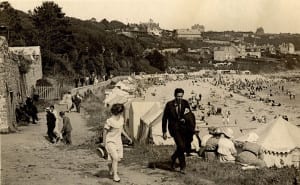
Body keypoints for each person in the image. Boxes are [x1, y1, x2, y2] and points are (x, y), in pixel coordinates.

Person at [162, 88, 192, 174]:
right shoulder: (169, 105)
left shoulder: (185, 103)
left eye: (181, 96)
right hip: (174, 129)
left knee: (184, 146)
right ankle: (183, 166)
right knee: (181, 146)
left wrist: (185, 120)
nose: (180, 98)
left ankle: (174, 156)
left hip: (184, 129)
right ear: (175, 96)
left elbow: (189, 115)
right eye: (178, 96)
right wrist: (164, 132)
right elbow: (165, 118)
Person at [102, 103, 132, 182]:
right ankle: (115, 175)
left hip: (118, 141)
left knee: (118, 159)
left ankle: (111, 166)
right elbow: (104, 132)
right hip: (110, 141)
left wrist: (128, 137)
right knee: (115, 157)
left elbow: (121, 130)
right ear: (119, 112)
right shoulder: (109, 121)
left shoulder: (121, 119)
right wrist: (104, 143)